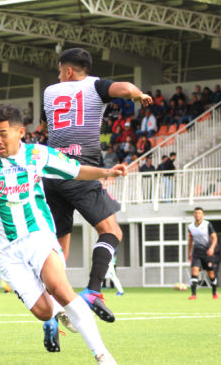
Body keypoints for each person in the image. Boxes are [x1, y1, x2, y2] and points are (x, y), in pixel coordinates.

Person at [0, 104, 125, 365]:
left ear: (20, 132)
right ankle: (58, 312)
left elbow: (76, 170)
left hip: (37, 233)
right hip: (1, 246)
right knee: (43, 311)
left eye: (3, 133)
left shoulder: (38, 154)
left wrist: (106, 172)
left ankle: (101, 353)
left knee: (60, 288)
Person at [40, 47, 152, 325]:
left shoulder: (49, 92)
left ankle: (54, 308)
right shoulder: (95, 86)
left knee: (58, 247)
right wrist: (137, 93)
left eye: (59, 69)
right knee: (111, 231)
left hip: (50, 172)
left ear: (67, 70)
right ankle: (93, 291)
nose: (58, 74)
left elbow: (48, 126)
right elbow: (123, 88)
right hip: (79, 171)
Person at [187, 207, 219, 300]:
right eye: (196, 213)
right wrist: (189, 252)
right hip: (196, 251)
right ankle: (193, 295)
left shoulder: (207, 224)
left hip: (207, 251)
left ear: (203, 215)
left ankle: (214, 292)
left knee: (211, 274)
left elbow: (214, 237)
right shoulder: (190, 227)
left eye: (199, 213)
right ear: (194, 214)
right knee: (194, 271)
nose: (197, 214)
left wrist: (212, 248)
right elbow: (190, 240)